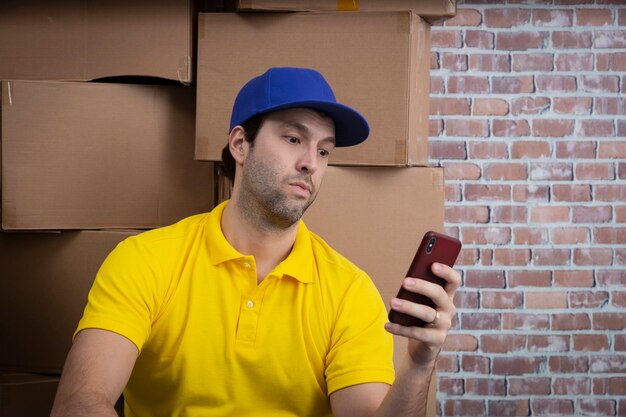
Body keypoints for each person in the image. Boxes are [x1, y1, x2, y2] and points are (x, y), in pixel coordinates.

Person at [50, 67, 460, 417]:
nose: (311, 163)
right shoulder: (146, 260)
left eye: (324, 150)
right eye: (294, 139)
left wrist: (420, 364)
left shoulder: (349, 292)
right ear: (240, 144)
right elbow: (81, 402)